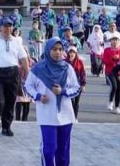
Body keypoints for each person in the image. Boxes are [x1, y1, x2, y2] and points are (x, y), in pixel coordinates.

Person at [23, 38, 80, 166]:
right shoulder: (38, 69)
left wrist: (63, 91)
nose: (57, 52)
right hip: (47, 116)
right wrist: (38, 96)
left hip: (65, 116)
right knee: (49, 150)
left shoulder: (67, 69)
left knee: (63, 151)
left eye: (60, 49)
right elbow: (27, 86)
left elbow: (76, 88)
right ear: (48, 50)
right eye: (54, 49)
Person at [0, 19, 29, 136]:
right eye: (5, 26)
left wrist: (28, 74)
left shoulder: (16, 42)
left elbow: (23, 58)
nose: (7, 29)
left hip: (12, 74)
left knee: (10, 101)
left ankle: (6, 126)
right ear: (0, 27)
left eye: (10, 26)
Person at [102, 35, 120, 115]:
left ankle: (117, 107)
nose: (115, 42)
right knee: (114, 86)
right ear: (110, 42)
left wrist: (119, 59)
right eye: (113, 40)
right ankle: (110, 101)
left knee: (119, 90)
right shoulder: (107, 50)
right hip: (110, 72)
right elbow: (105, 61)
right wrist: (113, 59)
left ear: (119, 42)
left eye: (116, 40)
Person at [65, 46, 86, 122]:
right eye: (70, 52)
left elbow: (83, 73)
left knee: (76, 102)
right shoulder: (65, 62)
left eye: (73, 52)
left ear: (76, 53)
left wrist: (83, 84)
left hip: (77, 84)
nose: (71, 54)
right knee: (71, 101)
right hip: (68, 86)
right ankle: (70, 116)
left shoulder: (79, 62)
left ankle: (75, 117)